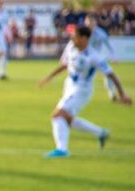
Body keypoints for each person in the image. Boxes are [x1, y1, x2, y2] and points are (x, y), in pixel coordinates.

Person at [40, 25, 131, 158]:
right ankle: (101, 133)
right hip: (69, 87)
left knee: (58, 115)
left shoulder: (94, 56)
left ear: (84, 38)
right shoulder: (71, 47)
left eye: (75, 36)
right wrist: (49, 77)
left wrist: (122, 94)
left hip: (82, 91)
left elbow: (111, 74)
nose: (72, 38)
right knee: (66, 118)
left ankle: (62, 150)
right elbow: (65, 65)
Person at [85, 14, 119, 100]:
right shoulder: (82, 32)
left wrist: (114, 57)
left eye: (91, 22)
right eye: (88, 22)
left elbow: (109, 45)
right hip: (85, 58)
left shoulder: (100, 33)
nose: (90, 24)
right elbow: (72, 44)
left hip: (97, 58)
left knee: (108, 74)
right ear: (86, 23)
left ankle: (112, 93)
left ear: (95, 23)